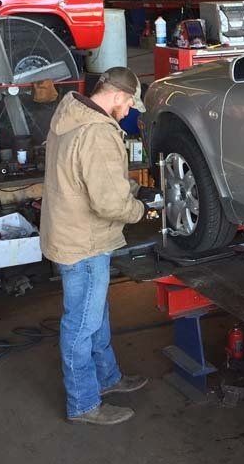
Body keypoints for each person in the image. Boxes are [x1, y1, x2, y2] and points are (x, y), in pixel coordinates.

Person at [40, 67, 158, 425]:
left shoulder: (71, 113)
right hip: (85, 242)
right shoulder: (98, 133)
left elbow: (91, 177)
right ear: (119, 95)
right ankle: (83, 403)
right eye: (129, 104)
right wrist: (143, 210)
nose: (129, 111)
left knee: (96, 314)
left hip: (69, 233)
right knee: (81, 325)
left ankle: (107, 378)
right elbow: (108, 203)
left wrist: (136, 190)